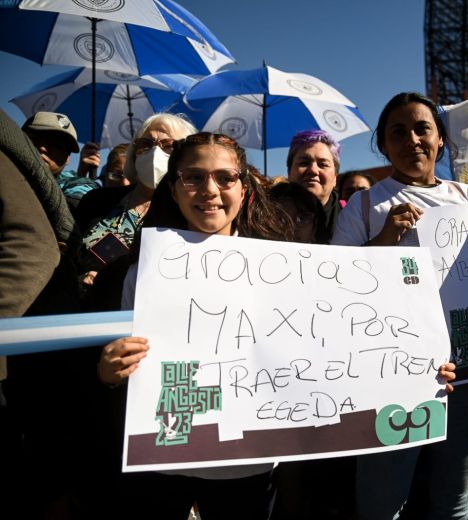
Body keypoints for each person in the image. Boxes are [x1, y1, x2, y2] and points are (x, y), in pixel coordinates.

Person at [93, 132, 290, 520]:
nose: (209, 190)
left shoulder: (283, 270)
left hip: (249, 458)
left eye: (224, 178)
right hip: (163, 455)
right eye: (193, 177)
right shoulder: (136, 274)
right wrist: (109, 373)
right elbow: (114, 373)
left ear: (244, 186)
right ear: (175, 186)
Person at [332, 92, 468, 520]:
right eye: (397, 132)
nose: (412, 140)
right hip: (392, 373)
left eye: (422, 128)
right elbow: (336, 288)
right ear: (383, 145)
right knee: (381, 502)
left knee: (454, 503)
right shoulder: (365, 207)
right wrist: (385, 238)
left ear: (441, 139)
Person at [0, 108, 89, 518]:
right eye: (38, 138)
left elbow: (28, 248)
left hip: (46, 354)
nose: (46, 149)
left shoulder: (82, 199)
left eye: (60, 147)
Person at [77, 114, 196, 296]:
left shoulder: (192, 212)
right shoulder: (96, 200)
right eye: (146, 145)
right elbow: (66, 255)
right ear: (134, 153)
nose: (155, 153)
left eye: (169, 146)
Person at [21, 111, 100, 209]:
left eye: (57, 146)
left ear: (67, 159)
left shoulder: (77, 185)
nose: (43, 148)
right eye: (35, 138)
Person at [286, 129, 342, 241]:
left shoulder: (354, 218)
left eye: (323, 164)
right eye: (304, 163)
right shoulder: (267, 216)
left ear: (335, 177)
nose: (313, 170)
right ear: (289, 172)